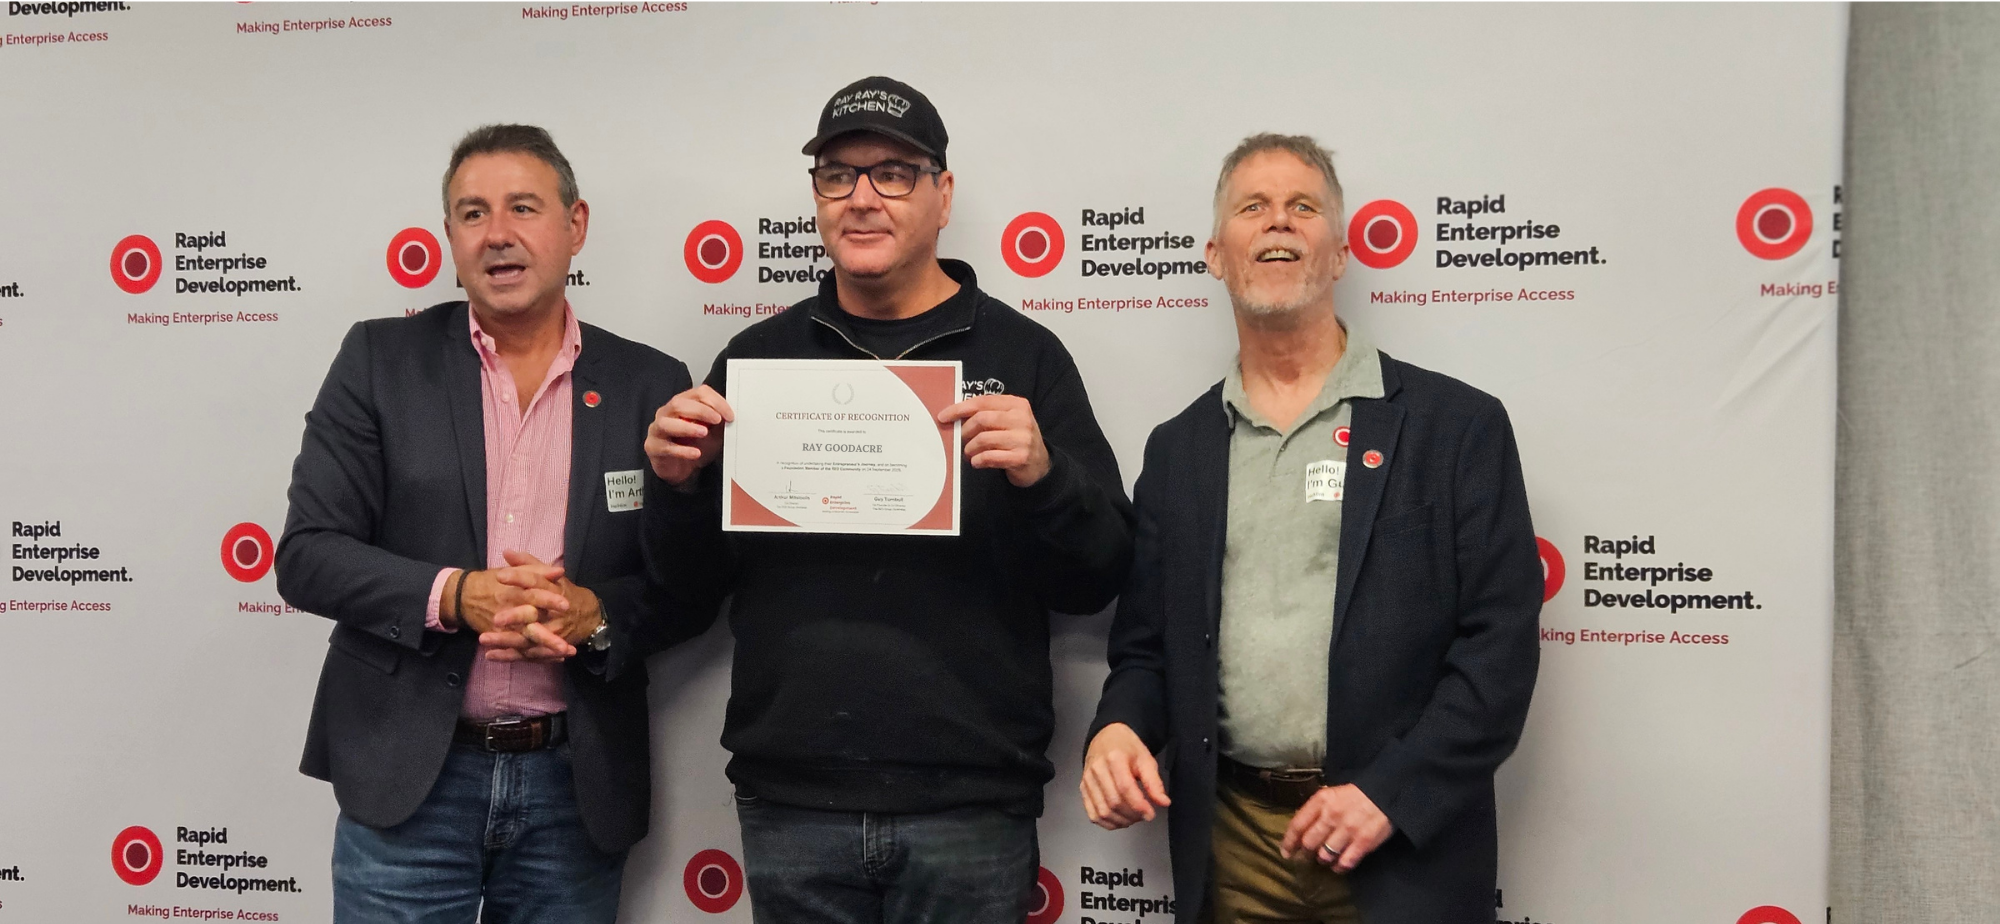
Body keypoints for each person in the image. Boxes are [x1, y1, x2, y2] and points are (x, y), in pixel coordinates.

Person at [642, 76, 1134, 924]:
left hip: (970, 804)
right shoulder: (758, 360)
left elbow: (1096, 581)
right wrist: (679, 485)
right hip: (792, 797)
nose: (862, 197)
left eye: (894, 173)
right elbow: (688, 588)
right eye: (839, 175)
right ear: (817, 199)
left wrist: (1045, 478)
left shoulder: (1025, 357)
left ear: (943, 195)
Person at [1081, 133, 1542, 924]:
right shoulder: (1179, 449)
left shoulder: (1456, 428)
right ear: (1215, 254)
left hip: (1397, 846)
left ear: (1340, 251)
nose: (1278, 224)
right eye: (1252, 208)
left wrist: (1391, 793)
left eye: (1304, 207)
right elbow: (1148, 647)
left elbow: (1499, 647)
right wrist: (1119, 727)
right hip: (1232, 845)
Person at [276, 124, 702, 924]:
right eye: (472, 213)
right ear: (449, 237)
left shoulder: (651, 382)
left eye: (523, 208)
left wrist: (599, 614)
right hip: (411, 785)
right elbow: (307, 556)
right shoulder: (378, 361)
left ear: (575, 226)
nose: (497, 234)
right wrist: (456, 595)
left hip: (573, 788)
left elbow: (687, 586)